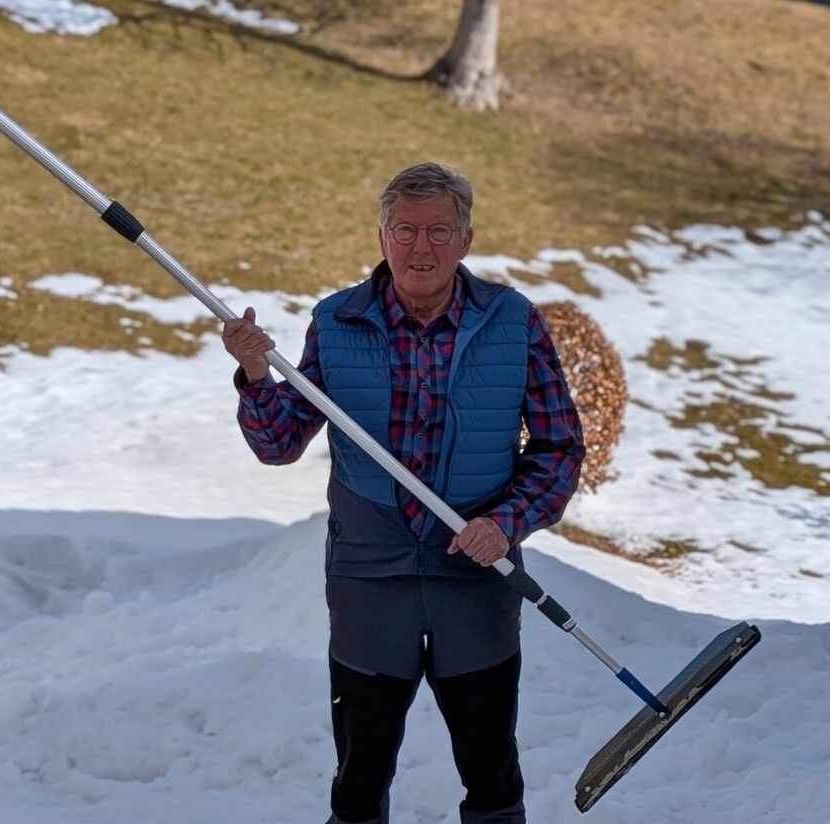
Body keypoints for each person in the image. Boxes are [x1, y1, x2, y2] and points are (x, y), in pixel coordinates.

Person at [222, 162, 584, 824]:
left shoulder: (512, 322)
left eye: (440, 230)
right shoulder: (337, 322)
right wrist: (254, 375)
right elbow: (279, 443)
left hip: (477, 573)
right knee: (360, 775)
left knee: (490, 768)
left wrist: (506, 521)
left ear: (466, 240)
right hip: (370, 574)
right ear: (382, 236)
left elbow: (559, 450)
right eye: (406, 229)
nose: (422, 247)